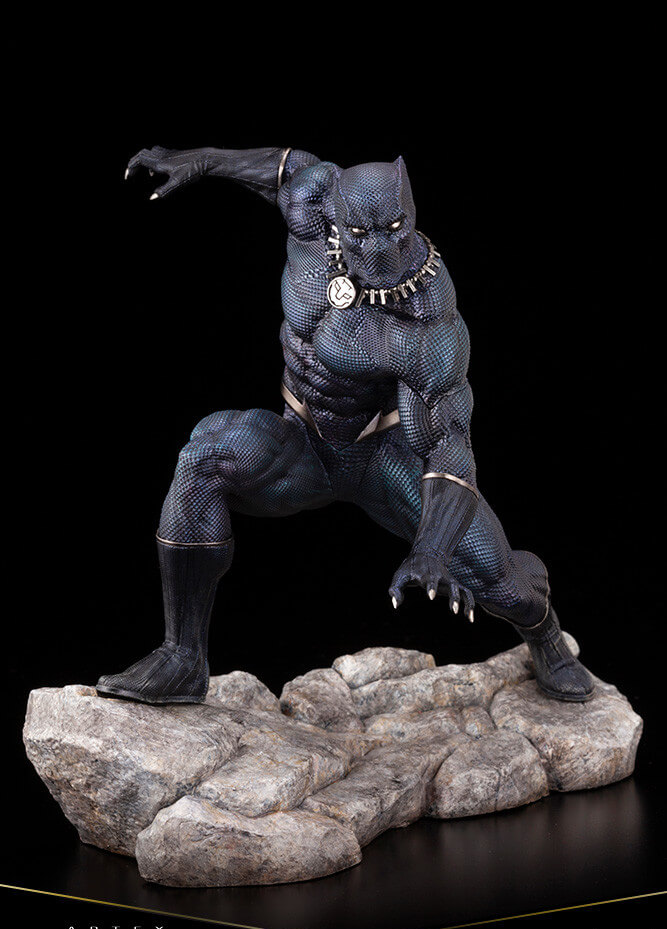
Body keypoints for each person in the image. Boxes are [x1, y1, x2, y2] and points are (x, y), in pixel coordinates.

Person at [97, 145, 593, 705]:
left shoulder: (428, 317)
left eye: (395, 230)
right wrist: (204, 160)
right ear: (336, 214)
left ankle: (547, 637)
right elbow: (280, 169)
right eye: (362, 234)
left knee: (496, 580)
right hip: (303, 439)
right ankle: (182, 658)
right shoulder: (313, 203)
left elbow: (450, 445)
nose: (379, 249)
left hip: (383, 456)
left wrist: (431, 550)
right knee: (202, 459)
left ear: (411, 212)